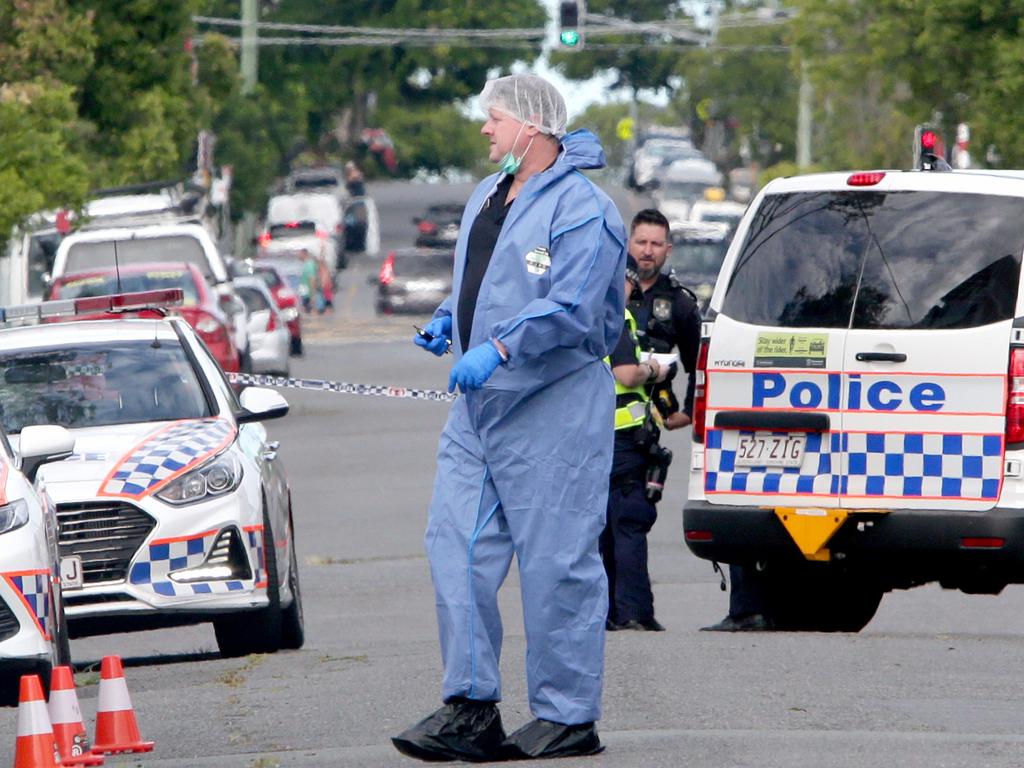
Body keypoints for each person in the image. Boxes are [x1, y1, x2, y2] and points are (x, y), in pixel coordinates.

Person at [394, 73, 627, 763]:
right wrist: (449, 321)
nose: (485, 129)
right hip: (478, 410)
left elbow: (577, 307)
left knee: (557, 562)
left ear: (532, 126)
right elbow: (485, 282)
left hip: (553, 407)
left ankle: (567, 714)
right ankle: (470, 706)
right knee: (454, 549)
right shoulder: (486, 195)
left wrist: (499, 345)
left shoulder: (586, 210)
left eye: (493, 118)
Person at [602, 255, 670, 633]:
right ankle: (633, 613)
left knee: (602, 529)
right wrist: (655, 370)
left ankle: (606, 612)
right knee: (629, 525)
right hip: (623, 440)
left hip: (591, 439)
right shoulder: (616, 318)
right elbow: (627, 374)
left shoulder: (583, 316)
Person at [626, 209, 701, 430]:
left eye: (656, 245)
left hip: (646, 422)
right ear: (629, 243)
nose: (648, 251)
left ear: (668, 250)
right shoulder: (607, 288)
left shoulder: (680, 303)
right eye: (641, 242)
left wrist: (689, 411)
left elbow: (698, 364)